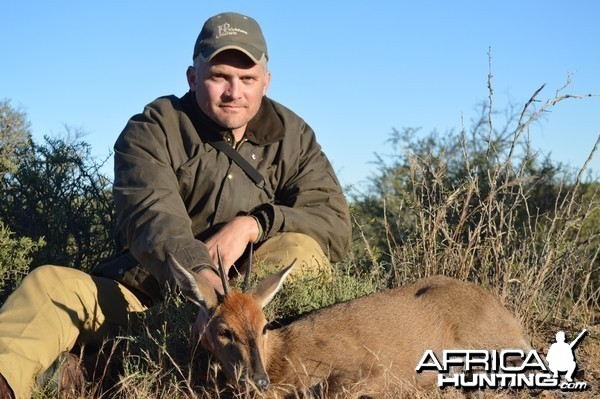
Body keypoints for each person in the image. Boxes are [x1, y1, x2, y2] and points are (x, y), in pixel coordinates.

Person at [0, 11, 351, 398]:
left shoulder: (294, 136)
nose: (235, 92)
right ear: (192, 77)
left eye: (248, 79)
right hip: (145, 297)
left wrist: (255, 224)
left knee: (302, 250)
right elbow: (152, 218)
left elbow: (333, 223)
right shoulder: (153, 128)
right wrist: (206, 284)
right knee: (49, 286)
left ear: (265, 82)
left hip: (246, 314)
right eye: (220, 76)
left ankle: (264, 376)